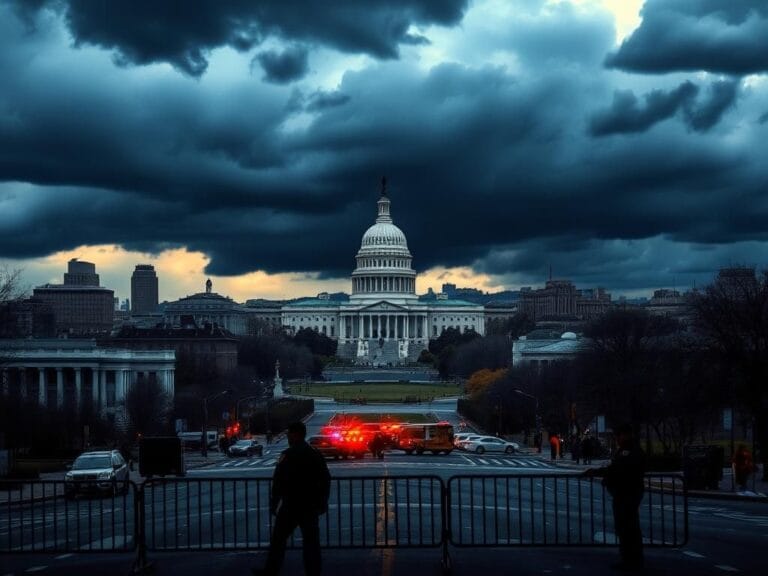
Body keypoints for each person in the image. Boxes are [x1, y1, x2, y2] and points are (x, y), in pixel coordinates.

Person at [252, 421, 331, 576]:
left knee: (278, 541)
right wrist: (323, 501)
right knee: (311, 543)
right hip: (309, 505)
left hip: (291, 505)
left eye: (289, 433)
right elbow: (325, 479)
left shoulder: (287, 455)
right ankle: (314, 572)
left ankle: (271, 570)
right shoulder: (315, 454)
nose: (287, 436)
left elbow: (278, 480)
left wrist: (274, 502)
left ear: (295, 435)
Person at [583, 423, 646, 571]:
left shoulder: (629, 451)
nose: (617, 439)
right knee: (627, 527)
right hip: (626, 492)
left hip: (626, 493)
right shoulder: (630, 449)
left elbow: (619, 470)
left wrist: (603, 474)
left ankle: (631, 559)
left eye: (618, 436)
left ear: (624, 435)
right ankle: (632, 558)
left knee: (627, 528)